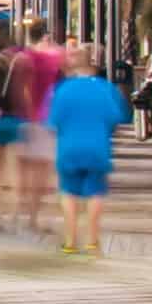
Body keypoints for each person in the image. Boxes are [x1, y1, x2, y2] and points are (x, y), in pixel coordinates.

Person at [46, 45, 129, 256]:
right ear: (93, 64)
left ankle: (71, 240)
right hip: (97, 147)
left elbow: (54, 122)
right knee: (95, 193)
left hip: (69, 148)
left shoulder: (63, 89)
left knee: (69, 193)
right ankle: (93, 241)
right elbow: (116, 118)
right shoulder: (105, 89)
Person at [14, 22, 67, 235]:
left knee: (25, 171)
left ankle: (20, 213)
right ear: (46, 34)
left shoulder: (24, 57)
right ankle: (36, 218)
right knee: (44, 173)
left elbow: (20, 88)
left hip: (26, 117)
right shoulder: (55, 56)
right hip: (47, 118)